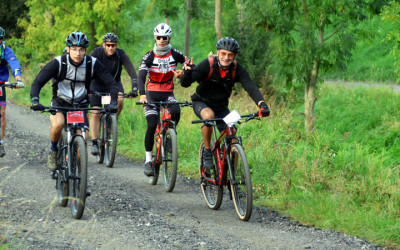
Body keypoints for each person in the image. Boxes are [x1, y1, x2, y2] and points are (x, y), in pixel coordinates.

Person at [30, 31, 119, 172]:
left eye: (81, 50)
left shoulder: (92, 63)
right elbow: (38, 82)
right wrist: (35, 100)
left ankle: (79, 183)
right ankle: (54, 151)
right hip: (60, 102)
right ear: (68, 49)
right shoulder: (59, 63)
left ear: (86, 50)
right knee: (58, 124)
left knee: (81, 147)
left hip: (80, 104)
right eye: (74, 49)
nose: (78, 53)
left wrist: (113, 102)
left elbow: (111, 83)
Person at [180, 37, 270, 170]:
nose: (226, 58)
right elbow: (185, 83)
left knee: (233, 138)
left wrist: (262, 104)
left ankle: (230, 180)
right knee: (209, 116)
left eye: (230, 55)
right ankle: (206, 150)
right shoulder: (208, 64)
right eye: (223, 54)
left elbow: (250, 87)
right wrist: (187, 73)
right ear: (218, 53)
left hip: (221, 107)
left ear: (234, 56)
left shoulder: (237, 69)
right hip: (201, 102)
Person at [138, 23, 187, 176]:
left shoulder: (174, 53)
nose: (161, 40)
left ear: (169, 38)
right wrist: (142, 94)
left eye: (164, 38)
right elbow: (141, 75)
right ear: (155, 37)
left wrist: (183, 72)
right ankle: (148, 160)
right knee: (152, 124)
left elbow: (188, 65)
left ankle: (169, 137)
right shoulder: (149, 55)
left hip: (167, 93)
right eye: (158, 37)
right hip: (151, 93)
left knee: (176, 110)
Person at [89, 32, 139, 156]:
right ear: (103, 45)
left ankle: (111, 121)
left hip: (113, 85)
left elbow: (132, 71)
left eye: (113, 45)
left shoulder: (120, 55)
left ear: (116, 46)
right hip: (97, 85)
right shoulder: (96, 53)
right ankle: (94, 142)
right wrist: (87, 88)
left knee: (120, 100)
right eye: (108, 45)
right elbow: (86, 69)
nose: (111, 48)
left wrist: (134, 88)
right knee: (95, 112)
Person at [0, 26, 24, 157]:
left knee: (2, 113)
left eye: (0, 39)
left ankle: (0, 142)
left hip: (1, 83)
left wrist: (18, 78)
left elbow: (14, 64)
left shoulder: (5, 51)